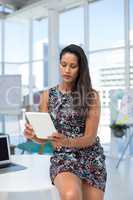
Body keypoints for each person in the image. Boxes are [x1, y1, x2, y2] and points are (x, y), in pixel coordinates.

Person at [24, 44, 107, 200]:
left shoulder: (91, 96)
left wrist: (66, 140)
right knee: (71, 195)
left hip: (91, 156)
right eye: (63, 65)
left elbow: (90, 138)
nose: (67, 70)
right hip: (64, 157)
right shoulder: (47, 96)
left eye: (72, 66)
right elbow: (45, 137)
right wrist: (33, 136)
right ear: (59, 65)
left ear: (80, 68)